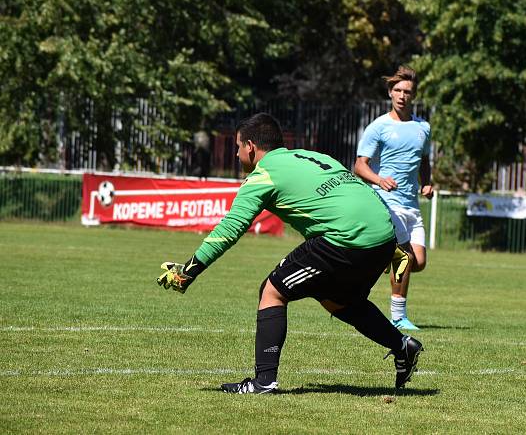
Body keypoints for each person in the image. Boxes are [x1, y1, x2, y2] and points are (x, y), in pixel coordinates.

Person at [155, 113, 423, 394]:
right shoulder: (311, 156)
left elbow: (229, 229)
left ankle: (263, 382)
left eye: (236, 147)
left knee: (273, 290)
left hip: (346, 239)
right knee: (338, 299)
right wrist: (392, 242)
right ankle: (402, 346)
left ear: (250, 147)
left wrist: (189, 271)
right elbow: (355, 189)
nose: (236, 154)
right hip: (382, 235)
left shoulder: (262, 176)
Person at [354, 65, 433, 331]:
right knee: (405, 258)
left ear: (414, 95)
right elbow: (359, 166)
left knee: (418, 262)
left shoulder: (423, 127)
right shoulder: (379, 126)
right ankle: (398, 316)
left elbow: (424, 160)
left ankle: (385, 258)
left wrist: (427, 183)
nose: (402, 95)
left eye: (407, 91)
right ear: (390, 92)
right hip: (388, 202)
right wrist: (379, 180)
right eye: (397, 90)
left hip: (412, 204)